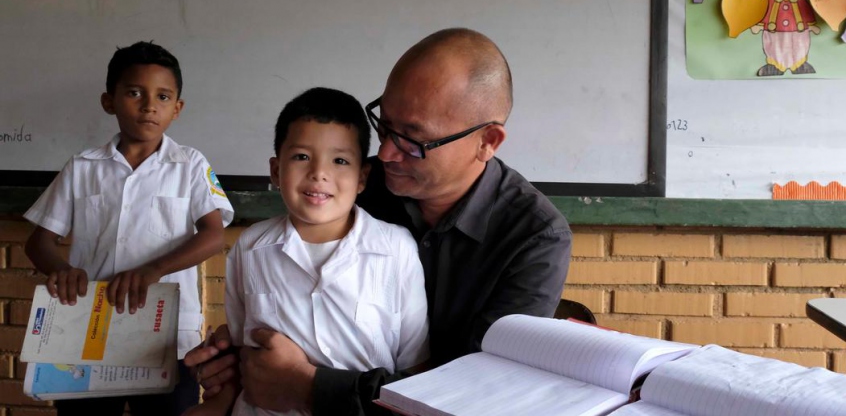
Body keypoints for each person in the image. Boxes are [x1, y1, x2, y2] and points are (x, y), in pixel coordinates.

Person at [187, 28, 572, 415]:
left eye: (412, 139)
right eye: (384, 125)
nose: (386, 153)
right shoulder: (354, 187)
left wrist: (307, 386)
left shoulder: (535, 239)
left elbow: (478, 395)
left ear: (487, 141)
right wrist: (236, 362)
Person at [24, 41, 234, 416]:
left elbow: (214, 234)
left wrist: (153, 270)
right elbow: (39, 241)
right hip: (89, 333)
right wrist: (62, 270)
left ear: (177, 108)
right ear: (109, 101)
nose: (149, 105)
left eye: (163, 96)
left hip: (166, 337)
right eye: (134, 92)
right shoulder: (83, 167)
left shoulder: (190, 165)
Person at [193, 88, 429, 416]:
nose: (320, 172)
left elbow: (415, 367)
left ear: (362, 177)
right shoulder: (249, 246)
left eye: (340, 160)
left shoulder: (397, 249)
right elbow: (240, 345)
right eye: (302, 156)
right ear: (276, 171)